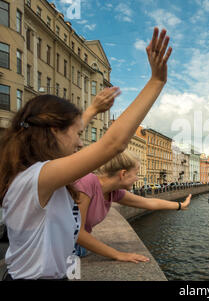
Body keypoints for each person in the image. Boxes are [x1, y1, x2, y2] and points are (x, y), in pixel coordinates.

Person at [0, 27, 172, 280]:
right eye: (78, 135)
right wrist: (157, 82)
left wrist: (92, 109)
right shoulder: (36, 178)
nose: (81, 144)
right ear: (53, 131)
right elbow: (113, 144)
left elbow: (72, 133)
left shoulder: (31, 175)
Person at [74, 150, 191, 262]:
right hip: (65, 249)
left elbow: (148, 203)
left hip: (80, 249)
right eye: (136, 173)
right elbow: (78, 233)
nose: (137, 178)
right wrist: (118, 254)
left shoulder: (113, 191)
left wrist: (180, 205)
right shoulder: (87, 183)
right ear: (123, 174)